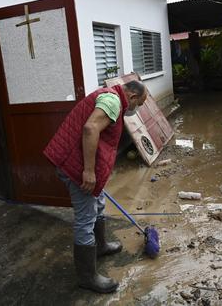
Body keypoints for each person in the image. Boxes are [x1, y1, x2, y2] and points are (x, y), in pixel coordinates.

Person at [43, 80, 147, 293]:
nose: (138, 108)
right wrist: (89, 172)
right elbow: (90, 128)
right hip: (75, 166)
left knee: (98, 202)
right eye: (141, 103)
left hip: (78, 163)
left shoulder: (111, 98)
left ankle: (100, 246)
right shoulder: (112, 101)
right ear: (133, 97)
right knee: (85, 219)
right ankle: (87, 277)